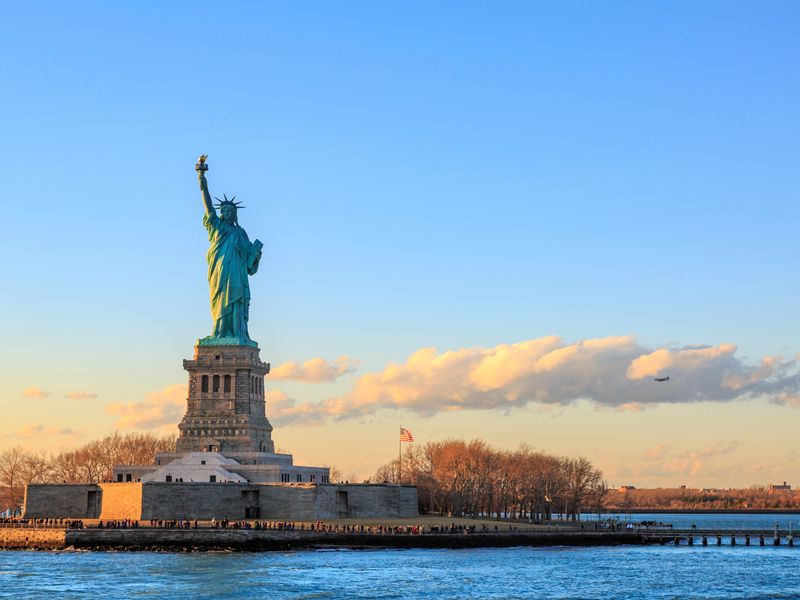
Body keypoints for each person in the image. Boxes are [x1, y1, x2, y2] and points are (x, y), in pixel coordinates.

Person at [196, 158, 263, 341]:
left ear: (234, 214)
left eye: (230, 211)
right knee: (220, 300)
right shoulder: (216, 227)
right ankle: (220, 332)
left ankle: (237, 333)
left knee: (237, 302)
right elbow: (208, 205)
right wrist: (201, 176)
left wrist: (256, 253)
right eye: (224, 211)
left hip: (237, 273)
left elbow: (250, 264)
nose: (226, 213)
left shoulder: (240, 233)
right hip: (220, 271)